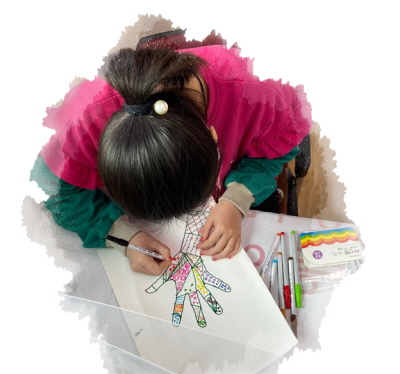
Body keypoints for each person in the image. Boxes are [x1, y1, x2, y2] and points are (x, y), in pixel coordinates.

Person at [31, 44, 312, 276]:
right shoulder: (77, 127)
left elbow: (281, 143)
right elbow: (55, 190)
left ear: (214, 136)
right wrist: (123, 234)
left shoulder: (267, 91)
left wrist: (235, 199)